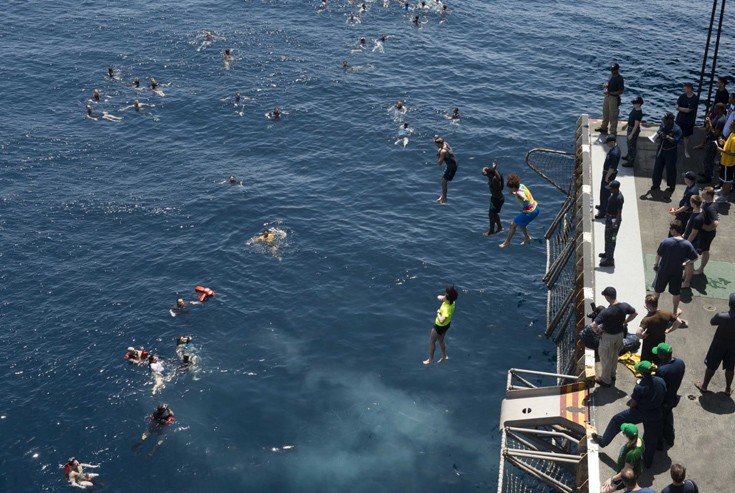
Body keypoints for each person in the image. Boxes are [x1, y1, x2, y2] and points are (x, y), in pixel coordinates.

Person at [593, 361, 665, 469]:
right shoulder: (661, 381)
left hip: (641, 412)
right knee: (651, 438)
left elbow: (633, 403)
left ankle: (603, 441)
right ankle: (648, 462)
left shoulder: (640, 387)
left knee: (616, 420)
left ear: (641, 372)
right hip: (656, 413)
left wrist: (630, 402)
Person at [591, 287, 638, 387]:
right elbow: (635, 313)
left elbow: (593, 325)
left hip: (608, 337)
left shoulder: (606, 312)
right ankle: (612, 375)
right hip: (619, 336)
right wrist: (625, 322)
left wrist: (598, 332)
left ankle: (606, 380)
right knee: (614, 355)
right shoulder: (624, 306)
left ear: (607, 297)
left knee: (605, 358)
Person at [652, 220, 698, 317]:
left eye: (670, 229)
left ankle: (653, 310)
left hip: (663, 270)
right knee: (676, 293)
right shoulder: (687, 244)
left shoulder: (666, 241)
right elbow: (695, 258)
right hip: (677, 272)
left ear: (674, 230)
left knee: (657, 290)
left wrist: (655, 264)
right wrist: (686, 263)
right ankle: (674, 312)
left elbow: (658, 255)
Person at [695, 292, 735, 395]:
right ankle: (727, 389)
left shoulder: (722, 316)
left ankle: (704, 386)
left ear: (729, 304)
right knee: (730, 368)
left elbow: (712, 322)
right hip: (733, 347)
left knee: (711, 366)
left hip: (718, 344)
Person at [653, 343, 685, 450]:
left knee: (658, 423)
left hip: (663, 401)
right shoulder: (680, 363)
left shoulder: (662, 371)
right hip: (673, 397)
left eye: (658, 354)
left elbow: (658, 388)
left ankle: (659, 444)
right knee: (668, 418)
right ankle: (670, 438)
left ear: (662, 356)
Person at [598, 424, 644, 493]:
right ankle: (627, 487)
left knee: (603, 491)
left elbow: (626, 471)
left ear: (627, 435)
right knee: (627, 488)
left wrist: (611, 479)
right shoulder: (639, 439)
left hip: (625, 477)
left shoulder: (632, 454)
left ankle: (626, 486)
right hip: (628, 472)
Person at [636, 295, 681, 364]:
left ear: (648, 305)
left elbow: (638, 332)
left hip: (649, 342)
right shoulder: (666, 313)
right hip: (661, 340)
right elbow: (679, 322)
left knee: (646, 360)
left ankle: (646, 371)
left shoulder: (647, 319)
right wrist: (669, 330)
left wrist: (642, 336)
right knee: (658, 358)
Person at [498, 174, 539, 248]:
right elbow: (520, 192)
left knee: (512, 225)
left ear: (513, 188)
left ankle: (506, 242)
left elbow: (521, 194)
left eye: (509, 188)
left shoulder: (519, 193)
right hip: (535, 208)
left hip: (530, 212)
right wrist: (514, 194)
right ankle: (527, 238)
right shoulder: (521, 185)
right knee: (521, 224)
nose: (509, 189)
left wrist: (524, 198)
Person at [649, 112, 683, 195]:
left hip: (671, 151)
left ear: (670, 120)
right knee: (657, 168)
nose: (664, 121)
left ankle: (671, 186)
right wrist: (659, 134)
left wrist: (667, 137)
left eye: (665, 120)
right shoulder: (663, 124)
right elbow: (659, 132)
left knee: (670, 169)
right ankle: (656, 184)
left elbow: (676, 141)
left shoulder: (677, 129)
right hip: (661, 149)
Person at [423, 286, 458, 365]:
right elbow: (439, 297)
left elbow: (442, 320)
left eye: (445, 294)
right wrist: (443, 298)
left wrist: (438, 313)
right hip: (447, 325)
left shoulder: (446, 308)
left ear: (447, 298)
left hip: (439, 326)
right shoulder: (452, 303)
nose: (444, 295)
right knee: (441, 340)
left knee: (432, 341)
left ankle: (430, 359)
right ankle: (444, 356)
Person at [691, 187, 718, 276]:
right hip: (703, 232)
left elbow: (716, 222)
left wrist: (707, 227)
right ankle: (699, 268)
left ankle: (700, 269)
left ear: (709, 195)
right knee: (705, 250)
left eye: (704, 194)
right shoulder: (707, 202)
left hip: (707, 234)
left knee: (701, 250)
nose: (701, 195)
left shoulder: (711, 208)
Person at [697, 102, 726, 184]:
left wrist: (709, 123)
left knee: (708, 159)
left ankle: (708, 177)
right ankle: (707, 173)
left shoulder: (721, 120)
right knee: (708, 159)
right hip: (710, 139)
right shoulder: (718, 116)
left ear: (720, 109)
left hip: (713, 142)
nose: (714, 110)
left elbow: (715, 133)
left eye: (715, 108)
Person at [595, 62, 625, 135]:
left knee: (613, 116)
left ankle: (613, 131)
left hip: (614, 98)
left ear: (617, 70)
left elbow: (621, 91)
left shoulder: (620, 79)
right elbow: (610, 83)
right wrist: (607, 85)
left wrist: (610, 93)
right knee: (605, 113)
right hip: (607, 96)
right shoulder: (610, 75)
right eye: (611, 70)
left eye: (614, 70)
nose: (612, 71)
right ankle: (604, 128)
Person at [595, 136, 621, 218]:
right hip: (607, 173)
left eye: (608, 143)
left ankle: (603, 212)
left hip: (609, 175)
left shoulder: (614, 153)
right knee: (603, 191)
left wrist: (607, 177)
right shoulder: (615, 149)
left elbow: (612, 168)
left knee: (605, 193)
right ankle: (603, 205)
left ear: (612, 142)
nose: (607, 145)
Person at [599, 180, 623, 267]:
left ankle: (610, 260)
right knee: (606, 237)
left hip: (613, 221)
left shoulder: (618, 199)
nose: (610, 190)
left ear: (615, 189)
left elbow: (619, 213)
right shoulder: (615, 194)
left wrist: (615, 223)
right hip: (609, 219)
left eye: (611, 188)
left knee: (612, 240)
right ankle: (607, 253)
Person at [675, 83, 699, 159]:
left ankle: (685, 150)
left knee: (686, 136)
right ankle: (674, 147)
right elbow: (676, 106)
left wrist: (680, 108)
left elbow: (688, 110)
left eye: (685, 89)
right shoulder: (682, 96)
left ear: (689, 89)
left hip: (688, 120)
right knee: (676, 133)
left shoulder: (695, 98)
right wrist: (682, 109)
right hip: (680, 119)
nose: (683, 90)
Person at [713, 119, 735, 202]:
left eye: (732, 124)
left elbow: (733, 153)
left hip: (729, 162)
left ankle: (724, 196)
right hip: (725, 160)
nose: (729, 125)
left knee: (728, 180)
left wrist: (721, 150)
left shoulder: (734, 138)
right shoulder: (732, 134)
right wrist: (724, 142)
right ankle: (722, 191)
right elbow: (729, 146)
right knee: (724, 178)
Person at [482, 161, 504, 236]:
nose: (486, 175)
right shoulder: (495, 174)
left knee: (491, 214)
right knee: (494, 213)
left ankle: (491, 231)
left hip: (496, 200)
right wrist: (493, 168)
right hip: (498, 198)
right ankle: (500, 227)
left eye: (487, 174)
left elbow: (497, 182)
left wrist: (492, 170)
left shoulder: (494, 179)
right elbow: (493, 171)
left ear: (490, 174)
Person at [434, 136, 457, 204]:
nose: (436, 146)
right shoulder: (445, 143)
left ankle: (444, 198)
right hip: (452, 163)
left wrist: (438, 155)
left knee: (444, 181)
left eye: (436, 144)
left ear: (439, 143)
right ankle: (443, 195)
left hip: (452, 167)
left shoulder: (443, 151)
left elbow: (439, 163)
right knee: (443, 180)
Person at [621, 96, 644, 167]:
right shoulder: (634, 109)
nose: (633, 104)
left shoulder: (638, 113)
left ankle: (631, 161)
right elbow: (630, 119)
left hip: (633, 130)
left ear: (639, 104)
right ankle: (628, 156)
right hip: (630, 128)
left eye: (635, 103)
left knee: (632, 146)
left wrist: (632, 134)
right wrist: (626, 125)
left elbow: (636, 125)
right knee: (629, 143)